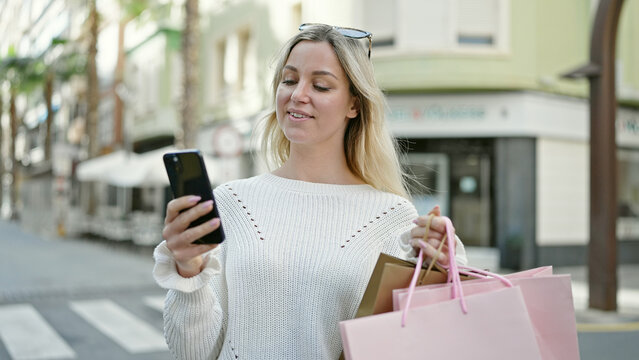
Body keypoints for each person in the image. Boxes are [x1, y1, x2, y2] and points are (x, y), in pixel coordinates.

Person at [153, 23, 468, 359]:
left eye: (320, 85)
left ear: (354, 105)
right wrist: (189, 269)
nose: (298, 94)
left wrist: (441, 270)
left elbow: (411, 344)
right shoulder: (232, 202)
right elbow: (193, 353)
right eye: (289, 80)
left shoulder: (392, 217)